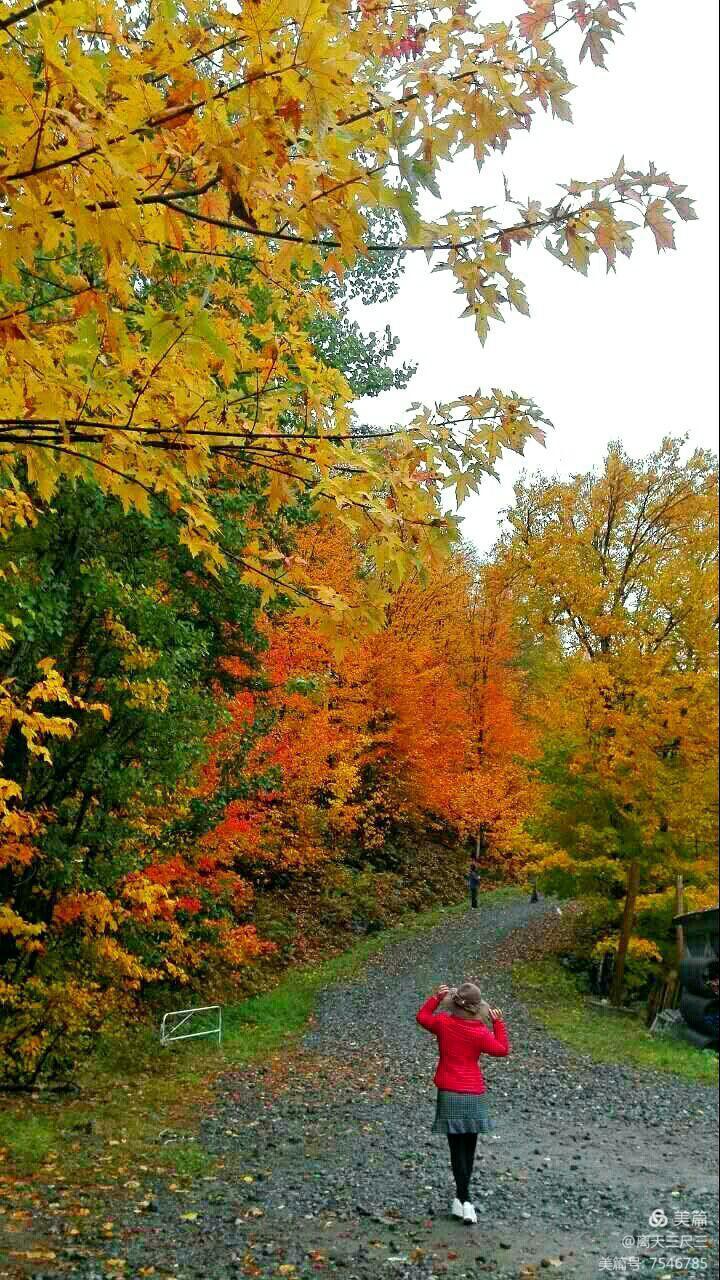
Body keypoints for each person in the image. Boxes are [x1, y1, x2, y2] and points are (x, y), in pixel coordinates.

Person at [416, 981, 510, 1224]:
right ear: (476, 1009)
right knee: (469, 1149)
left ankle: (464, 1200)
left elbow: (422, 1017)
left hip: (449, 1092)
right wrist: (498, 1023)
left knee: (455, 1149)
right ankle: (463, 1201)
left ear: (455, 1005)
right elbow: (502, 1049)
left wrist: (436, 998)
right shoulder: (480, 1032)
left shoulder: (444, 1024)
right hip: (473, 1094)